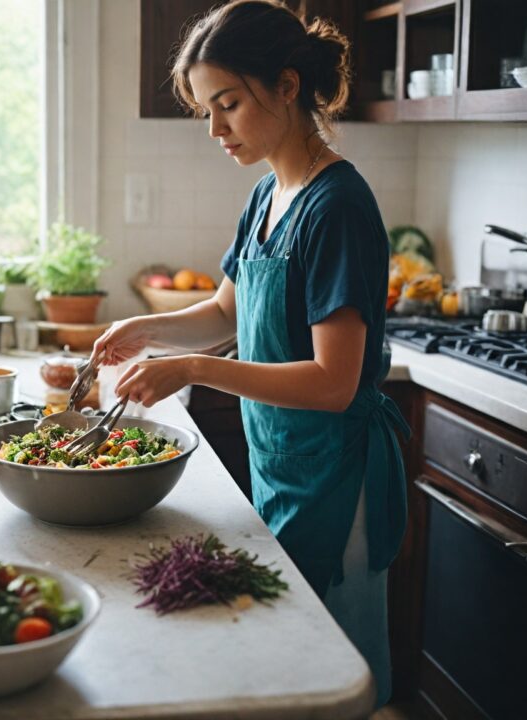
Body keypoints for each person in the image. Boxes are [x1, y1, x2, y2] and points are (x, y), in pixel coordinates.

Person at [91, 0, 409, 708]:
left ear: (287, 85)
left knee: (337, 676)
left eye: (228, 104)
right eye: (207, 110)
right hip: (282, 464)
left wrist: (194, 367)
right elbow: (227, 311)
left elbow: (333, 383)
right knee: (288, 661)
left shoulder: (338, 206)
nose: (215, 129)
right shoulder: (267, 193)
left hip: (337, 477)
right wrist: (145, 332)